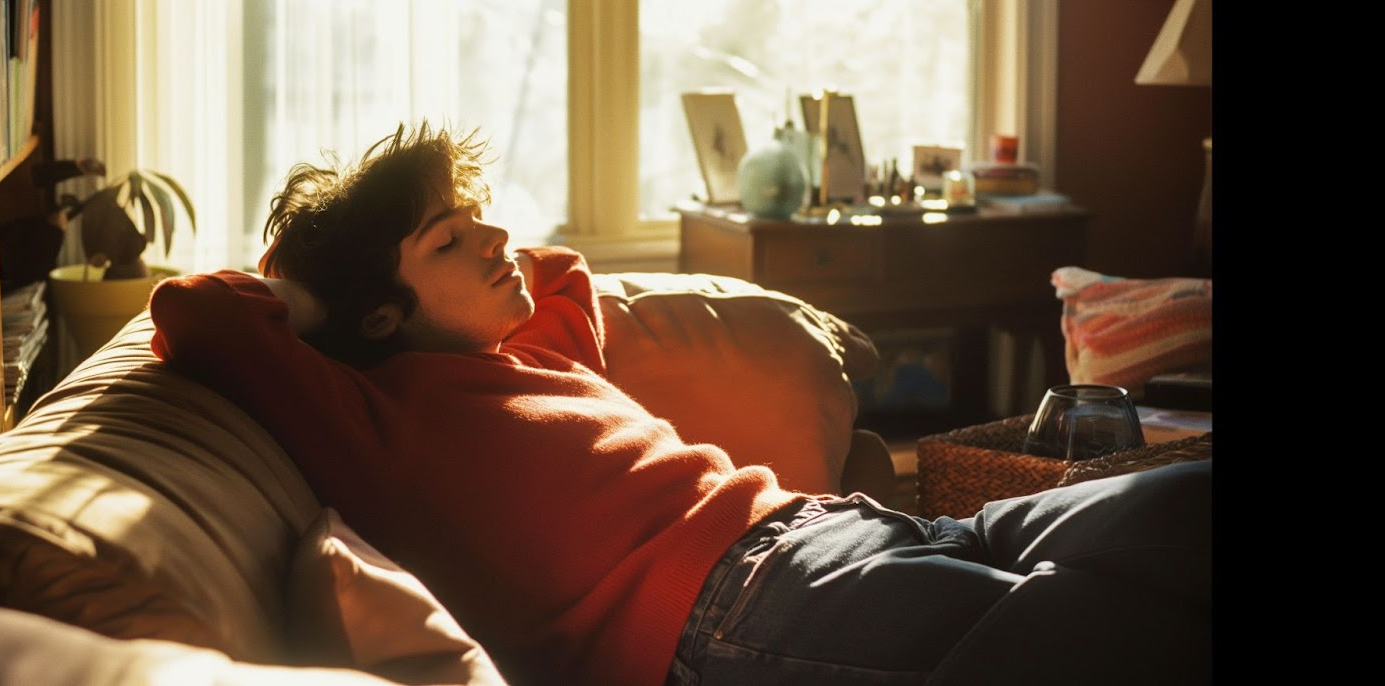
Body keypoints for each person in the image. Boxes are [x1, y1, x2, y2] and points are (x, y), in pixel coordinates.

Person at [148, 121, 1212, 685]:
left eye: (477, 220)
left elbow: (561, 269)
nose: (493, 240)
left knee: (1181, 507)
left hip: (834, 531)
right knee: (1100, 630)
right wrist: (319, 280)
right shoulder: (376, 418)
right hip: (737, 610)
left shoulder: (534, 355)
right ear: (376, 313)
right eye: (448, 240)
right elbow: (198, 308)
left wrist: (442, 260)